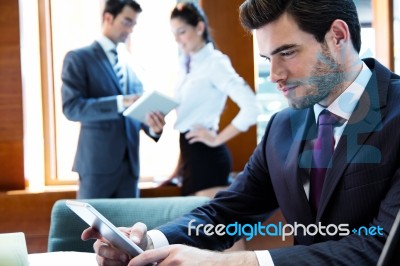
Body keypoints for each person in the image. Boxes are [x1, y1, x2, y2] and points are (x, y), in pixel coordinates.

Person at [82, 0, 400, 265]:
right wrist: (149, 241)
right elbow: (227, 210)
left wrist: (237, 262)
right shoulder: (281, 127)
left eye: (287, 52)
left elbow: (382, 246)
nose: (275, 75)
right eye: (267, 58)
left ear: (338, 36)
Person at [61, 0, 166, 199]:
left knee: (129, 230)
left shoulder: (133, 63)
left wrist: (154, 126)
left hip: (130, 171)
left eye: (134, 24)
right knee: (91, 230)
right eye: (127, 22)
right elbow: (72, 108)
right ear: (108, 17)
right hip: (96, 168)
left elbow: (138, 110)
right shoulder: (79, 58)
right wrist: (120, 102)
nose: (131, 30)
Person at [161, 2, 260, 196]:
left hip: (207, 159)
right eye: (174, 34)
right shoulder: (186, 64)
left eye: (181, 32)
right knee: (189, 224)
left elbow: (252, 107)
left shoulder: (215, 63)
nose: (177, 40)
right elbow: (186, 123)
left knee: (203, 226)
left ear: (199, 27)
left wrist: (216, 139)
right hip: (190, 159)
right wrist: (177, 170)